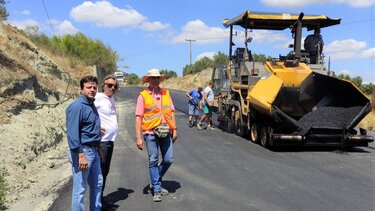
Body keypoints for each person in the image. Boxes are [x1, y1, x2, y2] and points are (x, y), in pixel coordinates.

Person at [135, 68, 178, 202]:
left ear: (160, 79)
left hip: (166, 132)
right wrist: (138, 137)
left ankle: (155, 181)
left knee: (168, 159)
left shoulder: (166, 93)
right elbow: (138, 118)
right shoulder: (143, 96)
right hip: (150, 133)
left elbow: (171, 112)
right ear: (148, 80)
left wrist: (175, 129)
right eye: (152, 78)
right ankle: (157, 189)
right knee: (153, 160)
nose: (155, 80)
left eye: (157, 78)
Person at [66, 75, 103, 211]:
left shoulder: (91, 105)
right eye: (88, 87)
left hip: (93, 150)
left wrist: (96, 131)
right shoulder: (77, 106)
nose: (92, 90)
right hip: (83, 152)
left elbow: (85, 127)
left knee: (97, 184)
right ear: (81, 89)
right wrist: (80, 154)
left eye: (94, 87)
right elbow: (72, 133)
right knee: (80, 189)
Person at [94, 75, 119, 209]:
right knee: (100, 173)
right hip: (101, 142)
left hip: (110, 140)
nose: (112, 88)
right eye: (109, 85)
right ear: (103, 86)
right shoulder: (97, 97)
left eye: (114, 86)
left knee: (105, 172)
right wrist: (95, 128)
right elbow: (88, 113)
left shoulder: (111, 99)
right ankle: (97, 203)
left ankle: (100, 200)